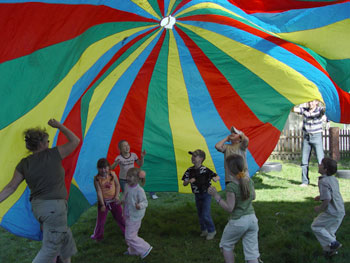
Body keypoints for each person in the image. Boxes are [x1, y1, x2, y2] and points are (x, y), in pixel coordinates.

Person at [0, 119, 80, 263]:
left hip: (41, 208)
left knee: (66, 240)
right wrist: (59, 126)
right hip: (54, 208)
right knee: (51, 248)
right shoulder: (54, 154)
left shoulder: (24, 163)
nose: (49, 143)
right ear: (42, 143)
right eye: (48, 141)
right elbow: (75, 140)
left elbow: (11, 187)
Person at [208, 154, 262, 263]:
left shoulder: (231, 186)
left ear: (228, 169)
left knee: (226, 245)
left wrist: (216, 196)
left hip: (238, 222)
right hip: (252, 220)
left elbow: (229, 208)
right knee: (251, 252)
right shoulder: (249, 181)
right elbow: (254, 197)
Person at [182, 149, 220, 240]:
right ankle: (204, 230)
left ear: (201, 159)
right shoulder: (189, 170)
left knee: (205, 214)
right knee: (200, 213)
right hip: (197, 195)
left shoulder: (205, 170)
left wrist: (216, 179)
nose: (192, 158)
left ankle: (212, 230)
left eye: (195, 156)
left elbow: (216, 176)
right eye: (192, 156)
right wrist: (188, 181)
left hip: (206, 194)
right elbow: (184, 183)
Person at [311, 157, 345, 256]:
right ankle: (331, 252)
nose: (319, 165)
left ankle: (334, 244)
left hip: (332, 212)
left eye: (321, 164)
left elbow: (328, 199)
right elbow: (332, 193)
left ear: (325, 169)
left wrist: (319, 208)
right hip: (340, 210)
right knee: (329, 232)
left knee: (316, 226)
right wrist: (320, 196)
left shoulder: (323, 181)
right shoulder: (333, 179)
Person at [90, 158, 125, 241]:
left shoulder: (112, 174)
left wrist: (116, 196)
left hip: (114, 201)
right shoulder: (97, 179)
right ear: (98, 168)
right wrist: (102, 204)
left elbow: (117, 185)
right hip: (104, 202)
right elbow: (99, 191)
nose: (103, 170)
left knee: (121, 218)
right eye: (101, 168)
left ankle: (127, 233)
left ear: (109, 167)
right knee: (100, 221)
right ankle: (98, 236)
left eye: (105, 167)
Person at [292, 100, 326, 186]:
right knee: (304, 161)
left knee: (321, 160)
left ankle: (324, 181)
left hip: (316, 137)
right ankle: (305, 181)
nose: (310, 103)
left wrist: (324, 100)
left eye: (312, 102)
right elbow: (293, 109)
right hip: (306, 138)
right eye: (309, 102)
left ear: (316, 103)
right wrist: (292, 100)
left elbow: (327, 109)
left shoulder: (320, 110)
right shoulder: (305, 110)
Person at [122, 167, 152, 259]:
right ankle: (133, 251)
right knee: (131, 234)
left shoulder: (139, 190)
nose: (128, 178)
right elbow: (127, 197)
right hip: (128, 214)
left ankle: (145, 248)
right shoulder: (127, 186)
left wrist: (140, 205)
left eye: (131, 176)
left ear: (137, 179)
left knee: (129, 236)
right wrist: (121, 201)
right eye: (128, 175)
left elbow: (145, 202)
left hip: (135, 217)